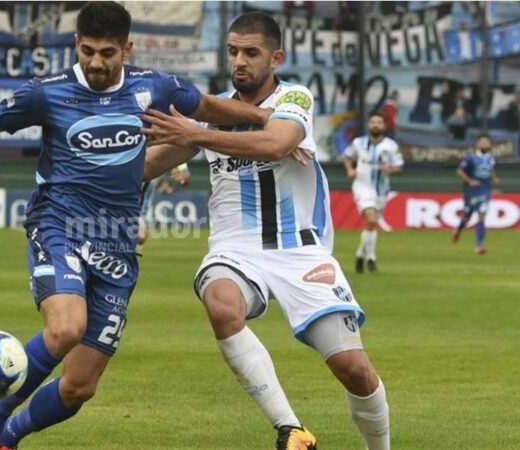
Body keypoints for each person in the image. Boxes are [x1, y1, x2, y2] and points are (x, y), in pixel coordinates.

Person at [0, 3, 275, 449]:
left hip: (117, 246)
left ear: (127, 48)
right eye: (87, 51)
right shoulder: (47, 93)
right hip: (59, 225)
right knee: (66, 328)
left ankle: (6, 439)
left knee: (79, 386)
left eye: (107, 52)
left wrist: (269, 119)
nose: (96, 62)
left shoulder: (155, 87)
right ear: (75, 45)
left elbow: (208, 108)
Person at [143, 11, 389, 450]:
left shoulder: (294, 99)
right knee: (221, 303)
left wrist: (197, 135)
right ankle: (291, 429)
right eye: (233, 51)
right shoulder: (207, 113)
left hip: (301, 250)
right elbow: (145, 166)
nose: (240, 61)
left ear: (275, 57)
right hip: (234, 249)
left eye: (251, 53)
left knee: (354, 368)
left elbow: (276, 141)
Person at [343, 113, 404, 273]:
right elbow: (347, 156)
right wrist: (350, 170)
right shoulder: (359, 143)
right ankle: (364, 256)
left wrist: (389, 170)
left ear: (384, 126)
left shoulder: (391, 146)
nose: (375, 125)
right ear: (369, 125)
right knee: (370, 219)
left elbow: (399, 167)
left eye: (379, 122)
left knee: (372, 223)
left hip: (381, 190)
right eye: (373, 122)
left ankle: (367, 256)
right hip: (362, 186)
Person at [452, 134, 500, 254]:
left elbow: (491, 169)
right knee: (467, 216)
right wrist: (469, 181)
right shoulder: (471, 158)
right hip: (471, 191)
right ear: (477, 144)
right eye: (482, 142)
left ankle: (479, 246)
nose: (484, 144)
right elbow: (459, 171)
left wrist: (494, 178)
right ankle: (458, 229)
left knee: (482, 215)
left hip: (485, 190)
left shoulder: (491, 158)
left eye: (486, 142)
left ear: (490, 144)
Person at [137, 163, 190, 248]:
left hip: (139, 212)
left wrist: (183, 170)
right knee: (141, 236)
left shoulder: (154, 160)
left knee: (141, 237)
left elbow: (175, 154)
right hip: (129, 210)